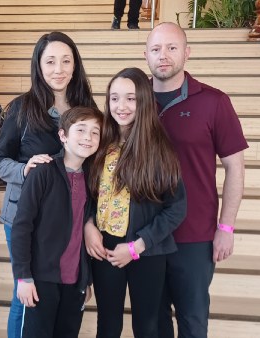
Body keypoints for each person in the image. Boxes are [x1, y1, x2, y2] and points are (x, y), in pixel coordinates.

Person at [144, 22, 248, 338]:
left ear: (187, 53)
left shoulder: (214, 102)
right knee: (151, 324)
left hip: (194, 236)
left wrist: (226, 227)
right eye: (156, 49)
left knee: (192, 322)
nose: (164, 56)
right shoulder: (131, 103)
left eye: (172, 48)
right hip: (144, 235)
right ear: (145, 55)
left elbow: (235, 167)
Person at [0, 31, 97, 338]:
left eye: (66, 61)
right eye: (50, 61)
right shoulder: (22, 108)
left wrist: (89, 220)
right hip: (24, 216)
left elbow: (91, 167)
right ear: (38, 66)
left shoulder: (86, 107)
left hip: (69, 217)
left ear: (75, 65)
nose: (58, 69)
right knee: (24, 293)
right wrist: (25, 170)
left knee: (60, 291)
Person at [84, 67, 187, 338]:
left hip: (147, 251)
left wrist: (137, 246)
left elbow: (176, 207)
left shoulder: (160, 148)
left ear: (143, 100)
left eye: (130, 98)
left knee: (147, 326)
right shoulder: (98, 144)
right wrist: (88, 225)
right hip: (105, 250)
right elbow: (84, 195)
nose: (121, 106)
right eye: (114, 98)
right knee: (107, 326)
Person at [11, 106, 103, 338]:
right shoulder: (43, 171)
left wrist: (86, 279)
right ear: (63, 135)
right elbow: (22, 226)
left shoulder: (93, 178)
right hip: (42, 279)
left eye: (95, 132)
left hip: (75, 281)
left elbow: (82, 227)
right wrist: (23, 277)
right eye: (80, 130)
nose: (88, 137)